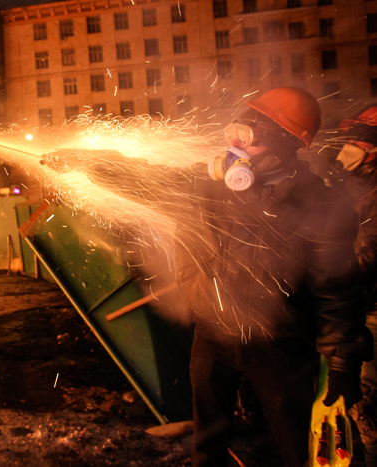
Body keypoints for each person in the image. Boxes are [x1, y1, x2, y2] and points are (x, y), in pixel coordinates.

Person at [44, 87, 371, 466]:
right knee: (207, 444)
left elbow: (336, 288)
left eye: (247, 136)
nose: (234, 143)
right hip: (212, 335)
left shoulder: (319, 204)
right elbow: (142, 177)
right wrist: (84, 162)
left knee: (298, 445)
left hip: (278, 344)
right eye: (235, 130)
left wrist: (343, 362)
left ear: (284, 143)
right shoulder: (210, 186)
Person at [326, 105, 377, 466]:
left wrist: (325, 274)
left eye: (360, 139)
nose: (349, 146)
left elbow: (369, 254)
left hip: (372, 309)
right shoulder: (351, 184)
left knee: (366, 401)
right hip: (353, 302)